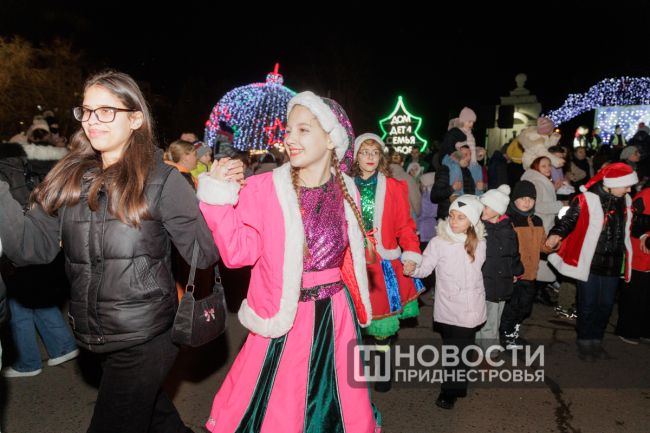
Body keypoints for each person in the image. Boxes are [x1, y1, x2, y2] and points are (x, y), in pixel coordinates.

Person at [0, 71, 218, 432]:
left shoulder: (162, 180)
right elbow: (29, 249)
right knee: (155, 417)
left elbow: (203, 254)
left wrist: (210, 202)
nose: (92, 121)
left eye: (105, 111)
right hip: (97, 334)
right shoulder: (69, 177)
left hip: (148, 336)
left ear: (135, 119)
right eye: (86, 111)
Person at [197, 91, 381, 432]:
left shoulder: (349, 191)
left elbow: (352, 258)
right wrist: (218, 196)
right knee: (282, 406)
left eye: (303, 130)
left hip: (336, 314)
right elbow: (237, 254)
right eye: (289, 130)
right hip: (286, 316)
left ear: (331, 139)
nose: (290, 138)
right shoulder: (263, 188)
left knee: (336, 401)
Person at [351, 133, 424, 392]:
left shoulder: (394, 186)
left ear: (381, 156)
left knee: (382, 322)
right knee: (349, 319)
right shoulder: (343, 185)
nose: (370, 157)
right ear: (356, 156)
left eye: (375, 152)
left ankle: (382, 369)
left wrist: (411, 253)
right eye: (364, 152)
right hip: (350, 261)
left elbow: (405, 226)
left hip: (382, 262)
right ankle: (351, 372)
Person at [0, 138, 77, 378]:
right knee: (37, 298)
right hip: (41, 233)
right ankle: (63, 346)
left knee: (18, 305)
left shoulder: (3, 169)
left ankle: (28, 362)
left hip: (19, 239)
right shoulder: (31, 163)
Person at [547, 163, 638, 362]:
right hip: (590, 262)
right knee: (588, 304)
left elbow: (631, 227)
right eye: (627, 185)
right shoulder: (587, 199)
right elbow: (568, 221)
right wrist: (555, 235)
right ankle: (584, 342)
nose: (630, 189)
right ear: (613, 183)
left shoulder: (626, 200)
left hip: (614, 263)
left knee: (605, 305)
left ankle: (597, 340)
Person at [407, 195, 487, 410]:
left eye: (461, 217)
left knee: (462, 349)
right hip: (449, 304)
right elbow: (426, 267)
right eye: (452, 215)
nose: (453, 221)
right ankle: (454, 386)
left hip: (472, 305)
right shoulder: (439, 242)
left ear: (472, 221)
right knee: (453, 348)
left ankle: (451, 389)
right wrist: (413, 269)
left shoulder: (480, 242)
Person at [500, 181, 560, 350]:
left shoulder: (537, 220)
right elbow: (504, 249)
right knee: (510, 309)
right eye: (522, 198)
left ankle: (513, 334)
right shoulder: (508, 220)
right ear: (514, 199)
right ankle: (505, 338)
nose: (527, 202)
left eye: (531, 198)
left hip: (531, 274)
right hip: (514, 275)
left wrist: (551, 244)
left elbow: (542, 246)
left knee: (524, 308)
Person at [475, 185, 524, 357]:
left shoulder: (508, 231)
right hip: (484, 280)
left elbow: (514, 254)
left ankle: (484, 348)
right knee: (486, 317)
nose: (483, 209)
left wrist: (516, 272)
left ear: (498, 210)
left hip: (502, 281)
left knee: (494, 317)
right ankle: (489, 351)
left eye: (487, 206)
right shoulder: (479, 228)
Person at [521, 156, 564, 305]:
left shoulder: (541, 180)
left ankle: (537, 291)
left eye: (549, 165)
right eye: (543, 166)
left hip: (543, 225)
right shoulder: (538, 182)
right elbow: (537, 205)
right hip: (541, 226)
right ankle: (537, 292)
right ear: (536, 167)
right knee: (541, 260)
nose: (548, 168)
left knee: (541, 261)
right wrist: (560, 205)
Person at [616, 180, 650, 344]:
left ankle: (645, 329)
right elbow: (629, 219)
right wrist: (643, 234)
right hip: (640, 253)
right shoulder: (646, 195)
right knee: (635, 293)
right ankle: (627, 329)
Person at [431, 146, 475, 219]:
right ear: (456, 155)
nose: (469, 157)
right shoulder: (445, 169)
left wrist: (483, 188)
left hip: (465, 216)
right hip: (448, 218)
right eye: (465, 154)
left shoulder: (467, 171)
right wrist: (452, 188)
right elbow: (434, 196)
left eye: (470, 154)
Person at [389, 152, 422, 218]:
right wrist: (417, 212)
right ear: (402, 163)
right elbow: (415, 199)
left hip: (388, 216)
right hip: (405, 216)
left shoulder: (383, 176)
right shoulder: (408, 178)